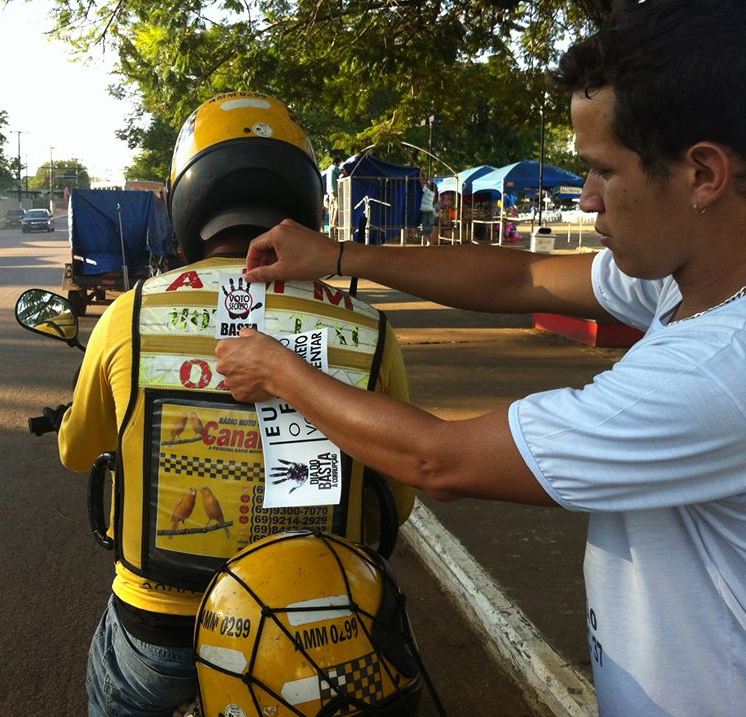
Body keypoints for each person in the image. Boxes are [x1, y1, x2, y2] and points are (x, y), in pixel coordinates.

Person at [215, 2, 746, 714]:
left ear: (703, 174)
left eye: (602, 170)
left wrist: (277, 369)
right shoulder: (687, 279)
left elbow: (441, 460)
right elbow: (522, 276)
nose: (586, 199)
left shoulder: (716, 371)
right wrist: (339, 255)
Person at [56, 91, 415, 717]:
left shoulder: (129, 316)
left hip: (160, 621)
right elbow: (396, 502)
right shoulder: (367, 329)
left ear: (187, 202)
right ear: (305, 199)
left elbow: (77, 451)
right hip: (311, 626)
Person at [418, 176, 437, 244]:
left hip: (426, 211)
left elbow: (421, 183)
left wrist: (420, 174)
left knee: (426, 228)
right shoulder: (433, 193)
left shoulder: (427, 191)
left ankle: (429, 242)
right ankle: (429, 243)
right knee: (429, 227)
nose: (427, 185)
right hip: (430, 211)